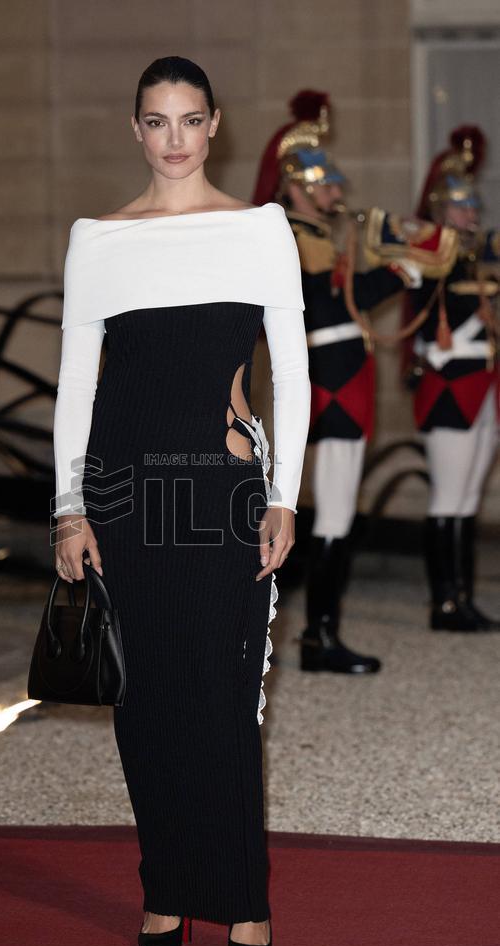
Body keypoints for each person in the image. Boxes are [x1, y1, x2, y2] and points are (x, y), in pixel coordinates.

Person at [52, 57, 310, 946]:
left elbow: (294, 371)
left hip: (215, 488)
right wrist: (70, 509)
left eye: (190, 120)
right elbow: (76, 385)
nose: (174, 139)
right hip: (123, 491)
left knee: (221, 691)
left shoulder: (259, 228)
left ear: (214, 126)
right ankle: (165, 885)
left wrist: (284, 495)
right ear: (136, 129)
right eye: (157, 121)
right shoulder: (97, 239)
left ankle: (242, 897)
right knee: (146, 697)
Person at [252, 90, 421, 674]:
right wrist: (400, 272)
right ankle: (318, 636)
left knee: (338, 510)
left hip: (344, 373)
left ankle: (321, 633)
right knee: (332, 512)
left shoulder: (316, 233)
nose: (334, 191)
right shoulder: (296, 235)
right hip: (330, 375)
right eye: (323, 182)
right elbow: (335, 303)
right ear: (297, 184)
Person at [403, 125, 499, 630]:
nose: (471, 214)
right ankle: (443, 602)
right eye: (461, 206)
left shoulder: (479, 256)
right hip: (449, 384)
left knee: (467, 499)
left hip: (483, 383)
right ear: (443, 209)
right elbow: (425, 321)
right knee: (448, 497)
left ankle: (462, 598)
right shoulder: (431, 255)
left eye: (473, 206)